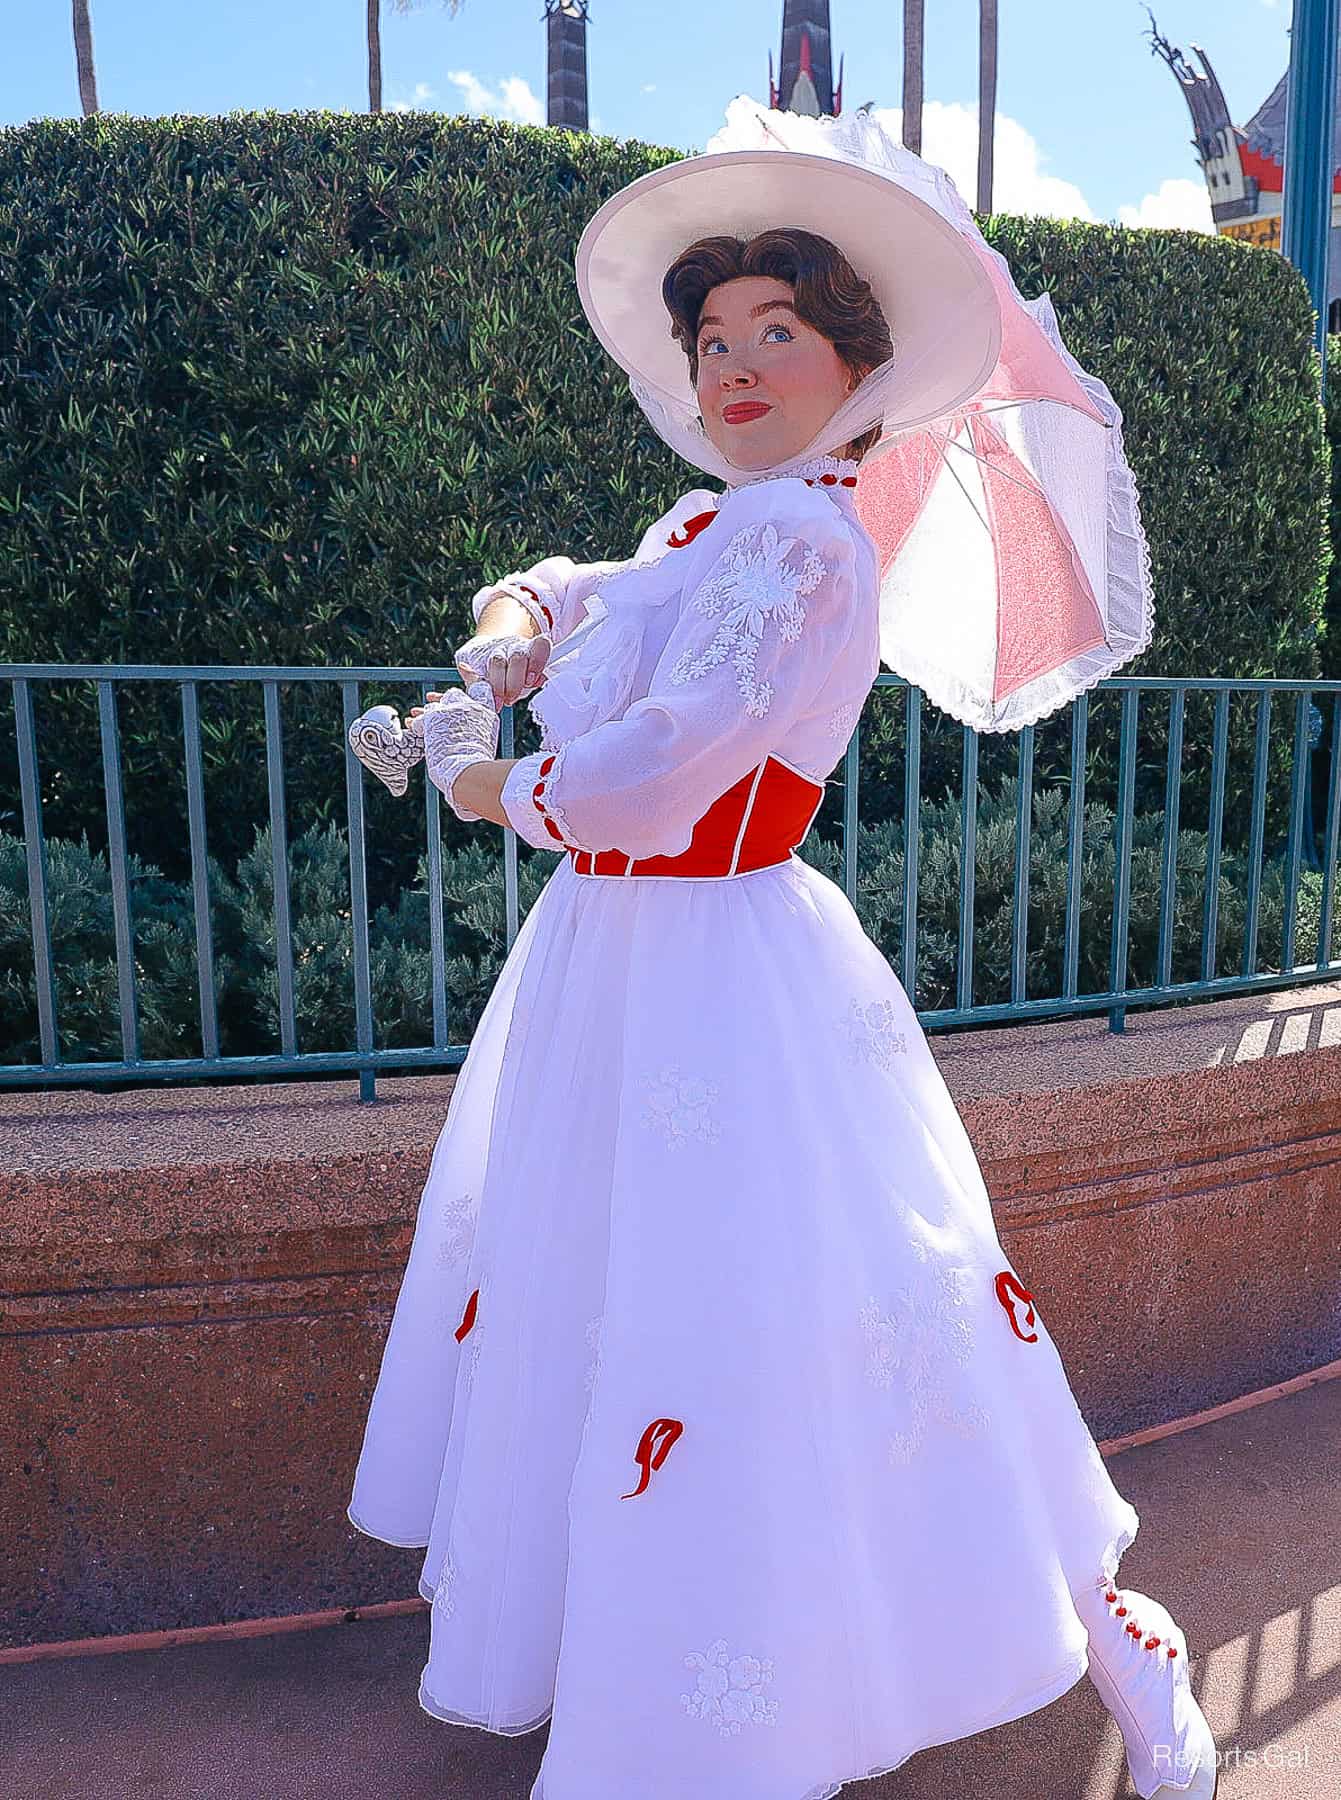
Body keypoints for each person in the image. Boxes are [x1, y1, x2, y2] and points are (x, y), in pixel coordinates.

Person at [346, 104, 1218, 1800]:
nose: (735, 365)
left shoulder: (811, 541)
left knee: (799, 1314)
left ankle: (1091, 1631)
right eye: (713, 340)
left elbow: (678, 756)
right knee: (621, 1310)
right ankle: (663, 1657)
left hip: (726, 979)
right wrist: (518, 621)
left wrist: (489, 780)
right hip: (612, 971)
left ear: (852, 366)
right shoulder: (701, 528)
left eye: (777, 335)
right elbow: (580, 582)